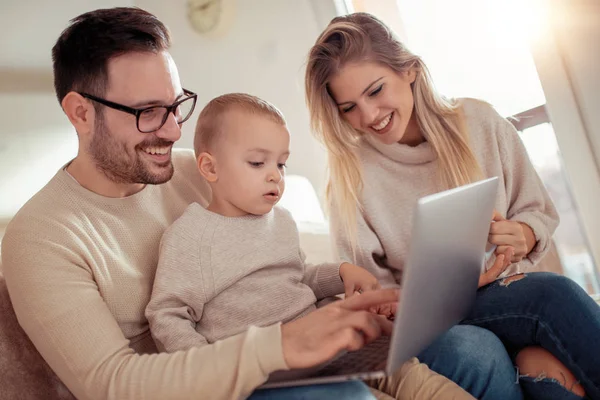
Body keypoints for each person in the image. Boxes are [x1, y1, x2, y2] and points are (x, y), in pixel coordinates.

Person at [1, 7, 407, 400]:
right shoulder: (40, 238)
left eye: (176, 105)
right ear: (80, 112)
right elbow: (112, 384)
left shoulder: (198, 172)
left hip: (289, 371)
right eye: (148, 112)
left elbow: (279, 276)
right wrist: (277, 347)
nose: (175, 129)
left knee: (444, 354)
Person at [305, 12, 600, 400]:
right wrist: (420, 295)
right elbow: (367, 294)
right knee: (490, 343)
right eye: (349, 108)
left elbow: (537, 211)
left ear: (408, 70)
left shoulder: (480, 122)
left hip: (501, 297)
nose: (368, 116)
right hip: (424, 323)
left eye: (375, 91)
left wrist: (525, 233)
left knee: (541, 365)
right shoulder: (351, 176)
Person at [145, 92, 474, 400]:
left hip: (333, 345)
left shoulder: (282, 220)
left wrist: (341, 272)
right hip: (279, 374)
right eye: (258, 163)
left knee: (418, 378)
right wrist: (210, 369)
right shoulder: (190, 236)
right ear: (210, 167)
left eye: (281, 164)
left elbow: (298, 277)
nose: (275, 175)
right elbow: (167, 315)